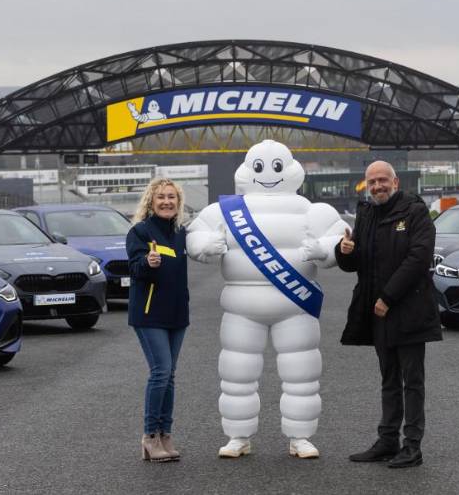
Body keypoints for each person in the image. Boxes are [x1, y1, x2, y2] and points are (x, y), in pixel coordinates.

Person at [186, 140, 347, 459]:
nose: (269, 173)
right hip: (241, 307)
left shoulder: (312, 211)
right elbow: (195, 236)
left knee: (301, 375)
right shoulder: (224, 211)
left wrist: (326, 251)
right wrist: (207, 243)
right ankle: (238, 436)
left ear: (290, 169)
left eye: (277, 166)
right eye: (260, 166)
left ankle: (300, 437)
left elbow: (340, 241)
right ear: (248, 169)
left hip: (295, 307)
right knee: (236, 375)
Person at [334, 160, 442, 468]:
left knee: (413, 381)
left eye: (383, 180)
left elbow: (418, 258)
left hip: (409, 310)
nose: (378, 186)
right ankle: (387, 440)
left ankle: (412, 446)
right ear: (366, 186)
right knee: (389, 379)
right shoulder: (366, 214)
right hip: (378, 312)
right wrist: (344, 250)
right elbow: (358, 261)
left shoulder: (415, 211)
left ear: (395, 182)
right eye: (372, 182)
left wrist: (388, 297)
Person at [127, 177, 189, 463]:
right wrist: (147, 263)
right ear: (151, 202)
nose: (166, 201)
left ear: (178, 202)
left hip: (176, 313)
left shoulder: (181, 232)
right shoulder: (140, 231)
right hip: (149, 314)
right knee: (161, 372)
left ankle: (166, 435)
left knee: (171, 376)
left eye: (171, 197)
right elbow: (135, 267)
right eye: (161, 197)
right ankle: (149, 436)